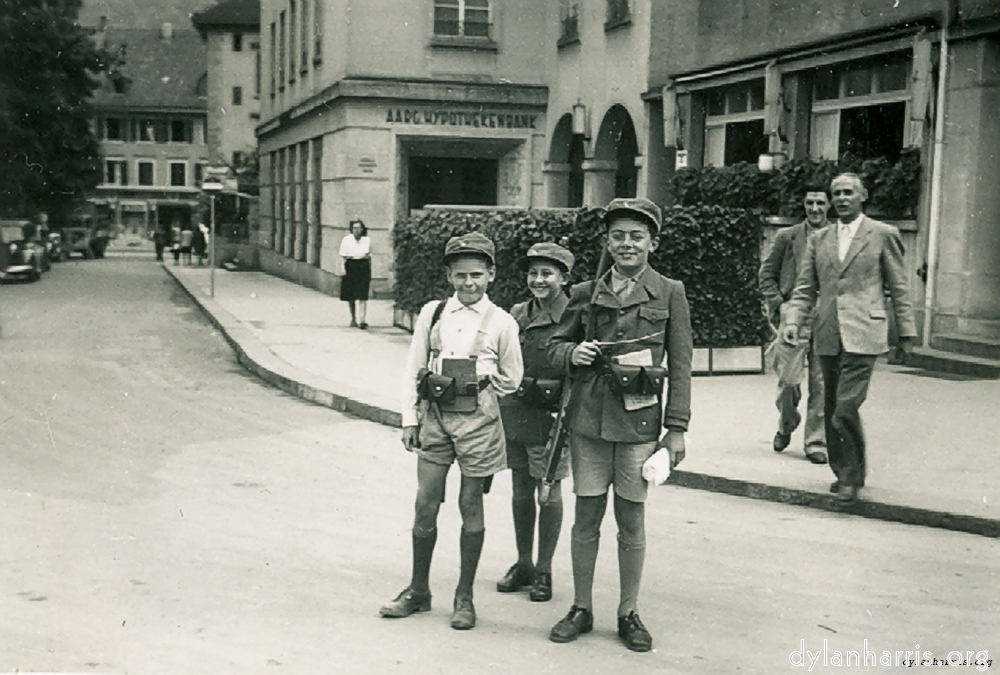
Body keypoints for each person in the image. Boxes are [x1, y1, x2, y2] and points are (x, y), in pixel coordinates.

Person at [546, 197, 692, 653]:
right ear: (607, 242)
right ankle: (581, 607)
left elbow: (682, 365)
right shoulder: (585, 292)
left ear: (653, 243)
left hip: (638, 426)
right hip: (589, 423)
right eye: (618, 236)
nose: (627, 244)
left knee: (631, 518)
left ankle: (628, 612)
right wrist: (573, 353)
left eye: (636, 236)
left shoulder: (670, 292)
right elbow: (554, 346)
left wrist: (677, 428)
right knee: (586, 515)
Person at [381, 231, 524, 631]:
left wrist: (480, 388)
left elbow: (512, 378)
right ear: (448, 275)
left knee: (470, 504)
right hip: (435, 417)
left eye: (476, 275)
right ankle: (418, 590)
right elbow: (414, 367)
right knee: (425, 502)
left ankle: (464, 596)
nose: (468, 283)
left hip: (478, 421)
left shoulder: (502, 322)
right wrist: (410, 419)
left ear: (491, 274)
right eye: (460, 275)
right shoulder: (433, 313)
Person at [782, 173, 917, 502]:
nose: (842, 199)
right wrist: (793, 320)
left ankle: (851, 476)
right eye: (837, 194)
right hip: (827, 331)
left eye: (848, 193)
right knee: (831, 406)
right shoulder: (820, 239)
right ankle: (844, 471)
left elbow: (899, 287)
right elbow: (805, 288)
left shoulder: (883, 234)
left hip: (864, 331)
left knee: (845, 407)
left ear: (863, 195)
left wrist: (906, 333)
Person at [496, 242, 575, 603]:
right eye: (533, 273)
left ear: (564, 278)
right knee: (520, 489)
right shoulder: (517, 313)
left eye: (547, 273)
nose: (539, 280)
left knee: (550, 493)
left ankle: (544, 569)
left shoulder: (574, 316)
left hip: (551, 417)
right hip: (516, 411)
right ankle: (524, 562)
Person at [758, 187, 830, 464]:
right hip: (793, 316)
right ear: (804, 204)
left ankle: (816, 441)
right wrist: (779, 305)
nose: (815, 208)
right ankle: (786, 423)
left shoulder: (836, 238)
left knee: (821, 383)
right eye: (810, 202)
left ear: (829, 205)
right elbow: (766, 274)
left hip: (826, 317)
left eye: (820, 202)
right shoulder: (787, 237)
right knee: (789, 381)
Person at [339, 220, 372, 328]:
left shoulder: (366, 240)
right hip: (351, 265)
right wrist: (343, 270)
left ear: (362, 229)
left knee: (363, 294)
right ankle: (353, 318)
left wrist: (369, 271)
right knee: (351, 294)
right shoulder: (346, 240)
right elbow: (343, 255)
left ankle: (362, 320)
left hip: (363, 265)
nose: (357, 230)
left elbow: (368, 256)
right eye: (354, 228)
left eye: (359, 228)